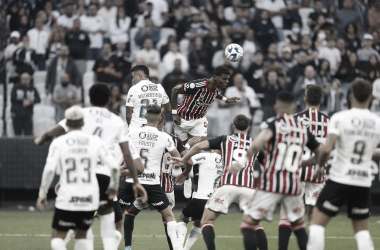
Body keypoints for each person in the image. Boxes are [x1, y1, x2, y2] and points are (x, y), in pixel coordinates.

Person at [34, 83, 147, 250]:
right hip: (104, 178)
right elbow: (127, 156)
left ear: (89, 98)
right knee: (110, 227)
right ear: (109, 99)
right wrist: (135, 182)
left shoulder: (81, 115)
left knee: (76, 228)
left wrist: (41, 140)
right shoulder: (116, 122)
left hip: (81, 176)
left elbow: (53, 132)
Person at [229, 92, 321, 250]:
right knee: (299, 227)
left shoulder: (272, 124)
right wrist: (314, 166)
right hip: (294, 184)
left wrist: (242, 161)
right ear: (294, 108)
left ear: (276, 107)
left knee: (247, 225)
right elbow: (320, 151)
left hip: (272, 183)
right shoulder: (303, 128)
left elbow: (260, 141)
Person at [171, 114, 268, 250]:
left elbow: (199, 147)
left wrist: (184, 158)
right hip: (248, 187)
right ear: (249, 128)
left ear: (233, 127)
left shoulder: (224, 140)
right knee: (256, 224)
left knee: (207, 221)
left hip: (226, 186)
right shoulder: (255, 144)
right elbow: (268, 165)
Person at [307, 78, 380, 250]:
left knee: (316, 225)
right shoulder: (377, 121)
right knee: (362, 232)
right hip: (362, 181)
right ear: (371, 97)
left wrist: (318, 168)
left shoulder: (340, 117)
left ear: (350, 96)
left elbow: (326, 150)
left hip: (339, 179)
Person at [36, 105, 120, 250]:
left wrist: (42, 193)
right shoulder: (95, 141)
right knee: (83, 237)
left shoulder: (58, 142)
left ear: (66, 124)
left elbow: (49, 169)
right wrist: (113, 186)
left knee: (57, 240)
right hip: (89, 198)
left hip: (66, 197)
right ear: (83, 123)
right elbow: (113, 167)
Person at [122, 113, 199, 250]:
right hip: (166, 187)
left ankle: (127, 246)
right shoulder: (173, 140)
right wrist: (186, 172)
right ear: (164, 123)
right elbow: (185, 158)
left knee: (130, 212)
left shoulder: (138, 136)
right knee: (168, 219)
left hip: (145, 181)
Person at [277, 85, 329, 250]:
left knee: (286, 213)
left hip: (296, 170)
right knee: (313, 218)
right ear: (322, 100)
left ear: (304, 99)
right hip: (317, 172)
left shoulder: (295, 118)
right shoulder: (329, 121)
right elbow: (328, 148)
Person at [171, 66, 240, 143]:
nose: (227, 81)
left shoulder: (216, 88)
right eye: (224, 79)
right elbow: (175, 90)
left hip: (199, 119)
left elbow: (215, 93)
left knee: (200, 146)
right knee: (183, 149)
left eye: (227, 79)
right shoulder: (197, 85)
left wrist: (226, 99)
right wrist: (174, 113)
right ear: (215, 77)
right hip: (183, 118)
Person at [175, 150, 223, 250]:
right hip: (215, 200)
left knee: (182, 218)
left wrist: (185, 173)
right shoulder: (225, 161)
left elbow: (188, 161)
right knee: (198, 223)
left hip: (202, 197)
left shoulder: (206, 156)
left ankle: (179, 248)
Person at [125, 65, 171, 130]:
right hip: (154, 128)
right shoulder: (159, 87)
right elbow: (168, 109)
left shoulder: (133, 89)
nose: (133, 80)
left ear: (140, 76)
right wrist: (155, 115)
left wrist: (131, 128)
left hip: (137, 128)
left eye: (133, 77)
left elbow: (128, 115)